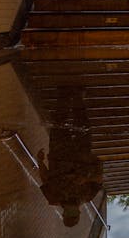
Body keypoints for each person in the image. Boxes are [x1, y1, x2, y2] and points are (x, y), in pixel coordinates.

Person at [37, 87, 103, 227]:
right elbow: (99, 178)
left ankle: (63, 96)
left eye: (68, 214)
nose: (70, 211)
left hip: (59, 153)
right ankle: (78, 97)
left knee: (59, 124)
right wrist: (86, 177)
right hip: (81, 154)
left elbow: (44, 177)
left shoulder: (53, 198)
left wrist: (40, 161)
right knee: (82, 124)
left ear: (63, 214)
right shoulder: (87, 195)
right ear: (79, 213)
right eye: (74, 214)